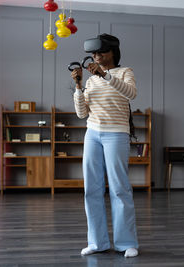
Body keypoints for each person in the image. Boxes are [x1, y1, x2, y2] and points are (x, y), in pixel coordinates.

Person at [71, 33, 139, 258]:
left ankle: (126, 242)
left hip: (116, 134)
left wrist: (105, 75)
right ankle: (97, 242)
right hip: (93, 134)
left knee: (119, 188)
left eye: (101, 52)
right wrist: (79, 86)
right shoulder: (90, 80)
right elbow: (82, 114)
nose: (96, 57)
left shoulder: (124, 72)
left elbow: (131, 93)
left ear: (113, 52)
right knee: (92, 189)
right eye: (94, 53)